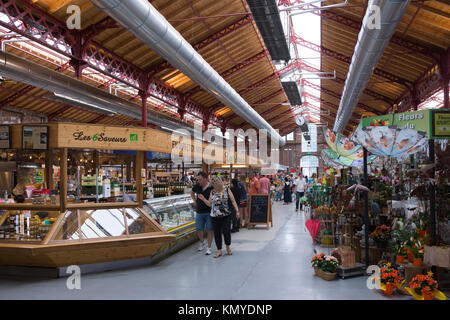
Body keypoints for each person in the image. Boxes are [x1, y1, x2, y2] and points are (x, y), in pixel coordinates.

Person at [201, 175, 239, 258]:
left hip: (226, 215)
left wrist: (237, 211)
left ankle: (228, 248)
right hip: (214, 216)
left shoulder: (226, 189)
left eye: (215, 185)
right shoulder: (213, 192)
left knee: (226, 232)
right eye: (213, 185)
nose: (214, 186)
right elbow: (210, 204)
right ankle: (219, 250)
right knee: (217, 233)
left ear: (219, 183)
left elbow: (233, 201)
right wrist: (203, 199)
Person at [190, 172, 214, 255]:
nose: (198, 181)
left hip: (209, 212)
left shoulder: (211, 187)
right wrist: (194, 200)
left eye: (200, 179)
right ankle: (202, 241)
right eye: (197, 179)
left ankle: (209, 247)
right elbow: (192, 192)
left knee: (210, 229)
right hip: (199, 211)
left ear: (205, 179)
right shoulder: (197, 186)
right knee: (198, 229)